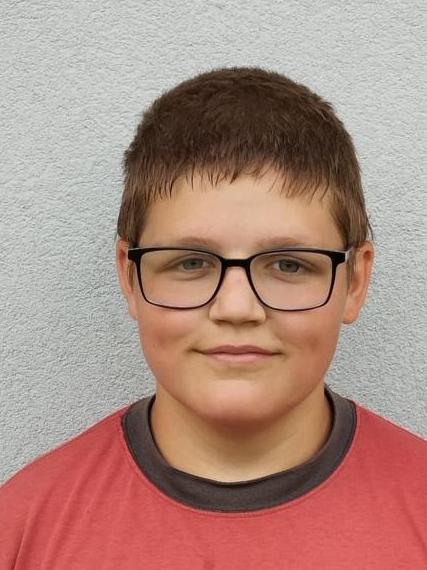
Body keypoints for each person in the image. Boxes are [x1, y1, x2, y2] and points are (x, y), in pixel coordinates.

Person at [1, 67, 426, 569]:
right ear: (130, 276)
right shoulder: (22, 531)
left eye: (289, 265)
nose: (237, 309)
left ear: (354, 281)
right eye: (191, 263)